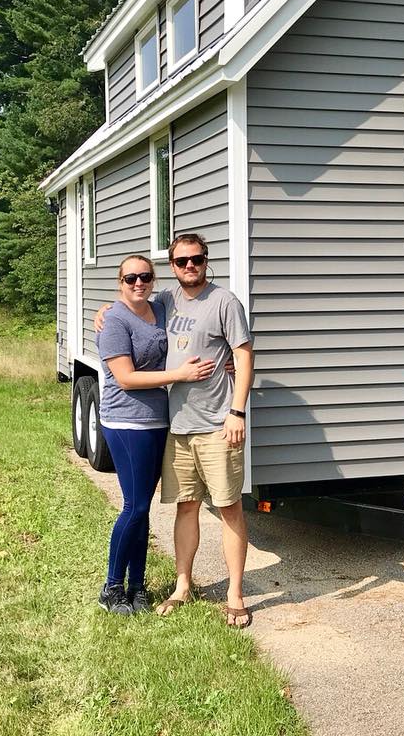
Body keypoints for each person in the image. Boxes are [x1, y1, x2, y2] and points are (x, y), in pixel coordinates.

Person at [95, 255, 215, 616]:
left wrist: (225, 360)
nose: (138, 283)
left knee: (142, 508)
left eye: (145, 276)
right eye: (130, 278)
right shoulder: (115, 320)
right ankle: (112, 587)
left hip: (157, 421)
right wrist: (179, 376)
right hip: (126, 422)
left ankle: (137, 587)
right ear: (120, 282)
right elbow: (126, 378)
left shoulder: (159, 307)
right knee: (135, 505)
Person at [154, 234, 255, 629]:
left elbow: (244, 355)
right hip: (178, 427)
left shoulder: (224, 302)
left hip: (218, 425)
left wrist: (237, 411)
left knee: (229, 508)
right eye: (181, 261)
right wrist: (106, 310)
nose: (189, 266)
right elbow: (133, 305)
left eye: (196, 259)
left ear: (206, 261)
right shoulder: (165, 300)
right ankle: (183, 585)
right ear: (173, 265)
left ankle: (235, 593)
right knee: (186, 506)